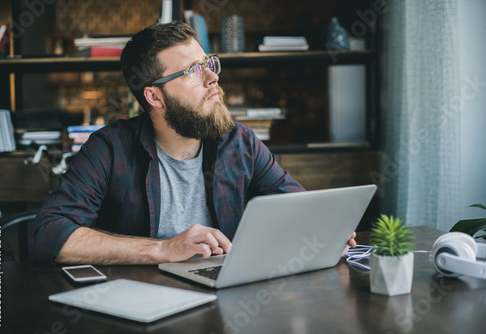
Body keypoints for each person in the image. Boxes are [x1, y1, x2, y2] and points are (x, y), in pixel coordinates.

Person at [28, 21, 356, 265]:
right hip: (143, 304)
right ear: (154, 96)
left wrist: (324, 229)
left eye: (209, 64)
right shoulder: (110, 149)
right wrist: (162, 249)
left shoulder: (239, 142)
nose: (213, 78)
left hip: (230, 298)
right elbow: (48, 235)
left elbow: (296, 207)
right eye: (193, 72)